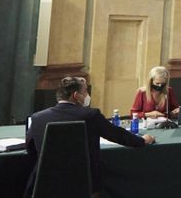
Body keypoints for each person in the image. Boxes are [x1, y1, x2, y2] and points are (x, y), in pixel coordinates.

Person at [26, 76, 155, 196]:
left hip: (47, 183)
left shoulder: (37, 118)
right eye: (85, 92)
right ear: (76, 95)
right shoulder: (90, 115)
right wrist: (141, 141)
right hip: (85, 183)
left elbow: (30, 148)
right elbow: (117, 135)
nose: (87, 96)